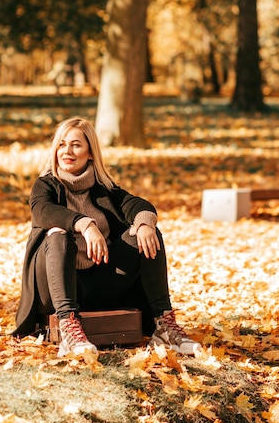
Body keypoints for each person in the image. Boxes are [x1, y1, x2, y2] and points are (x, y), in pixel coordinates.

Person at [13, 117, 202, 357]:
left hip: (98, 284)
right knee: (57, 233)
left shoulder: (105, 189)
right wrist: (84, 224)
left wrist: (145, 223)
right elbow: (43, 211)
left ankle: (164, 326)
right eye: (61, 144)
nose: (67, 151)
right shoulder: (45, 185)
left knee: (144, 233)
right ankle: (69, 328)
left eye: (75, 145)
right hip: (54, 288)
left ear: (90, 153)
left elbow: (137, 204)